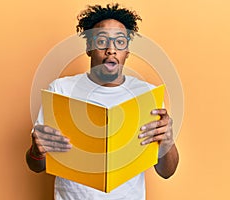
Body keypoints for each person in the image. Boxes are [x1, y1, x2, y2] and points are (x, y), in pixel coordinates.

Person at [26, 3, 179, 200]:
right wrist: (36, 150)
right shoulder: (60, 90)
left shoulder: (147, 95)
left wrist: (167, 141)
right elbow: (36, 165)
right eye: (102, 41)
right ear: (89, 48)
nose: (111, 50)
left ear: (127, 52)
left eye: (119, 42)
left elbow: (167, 171)